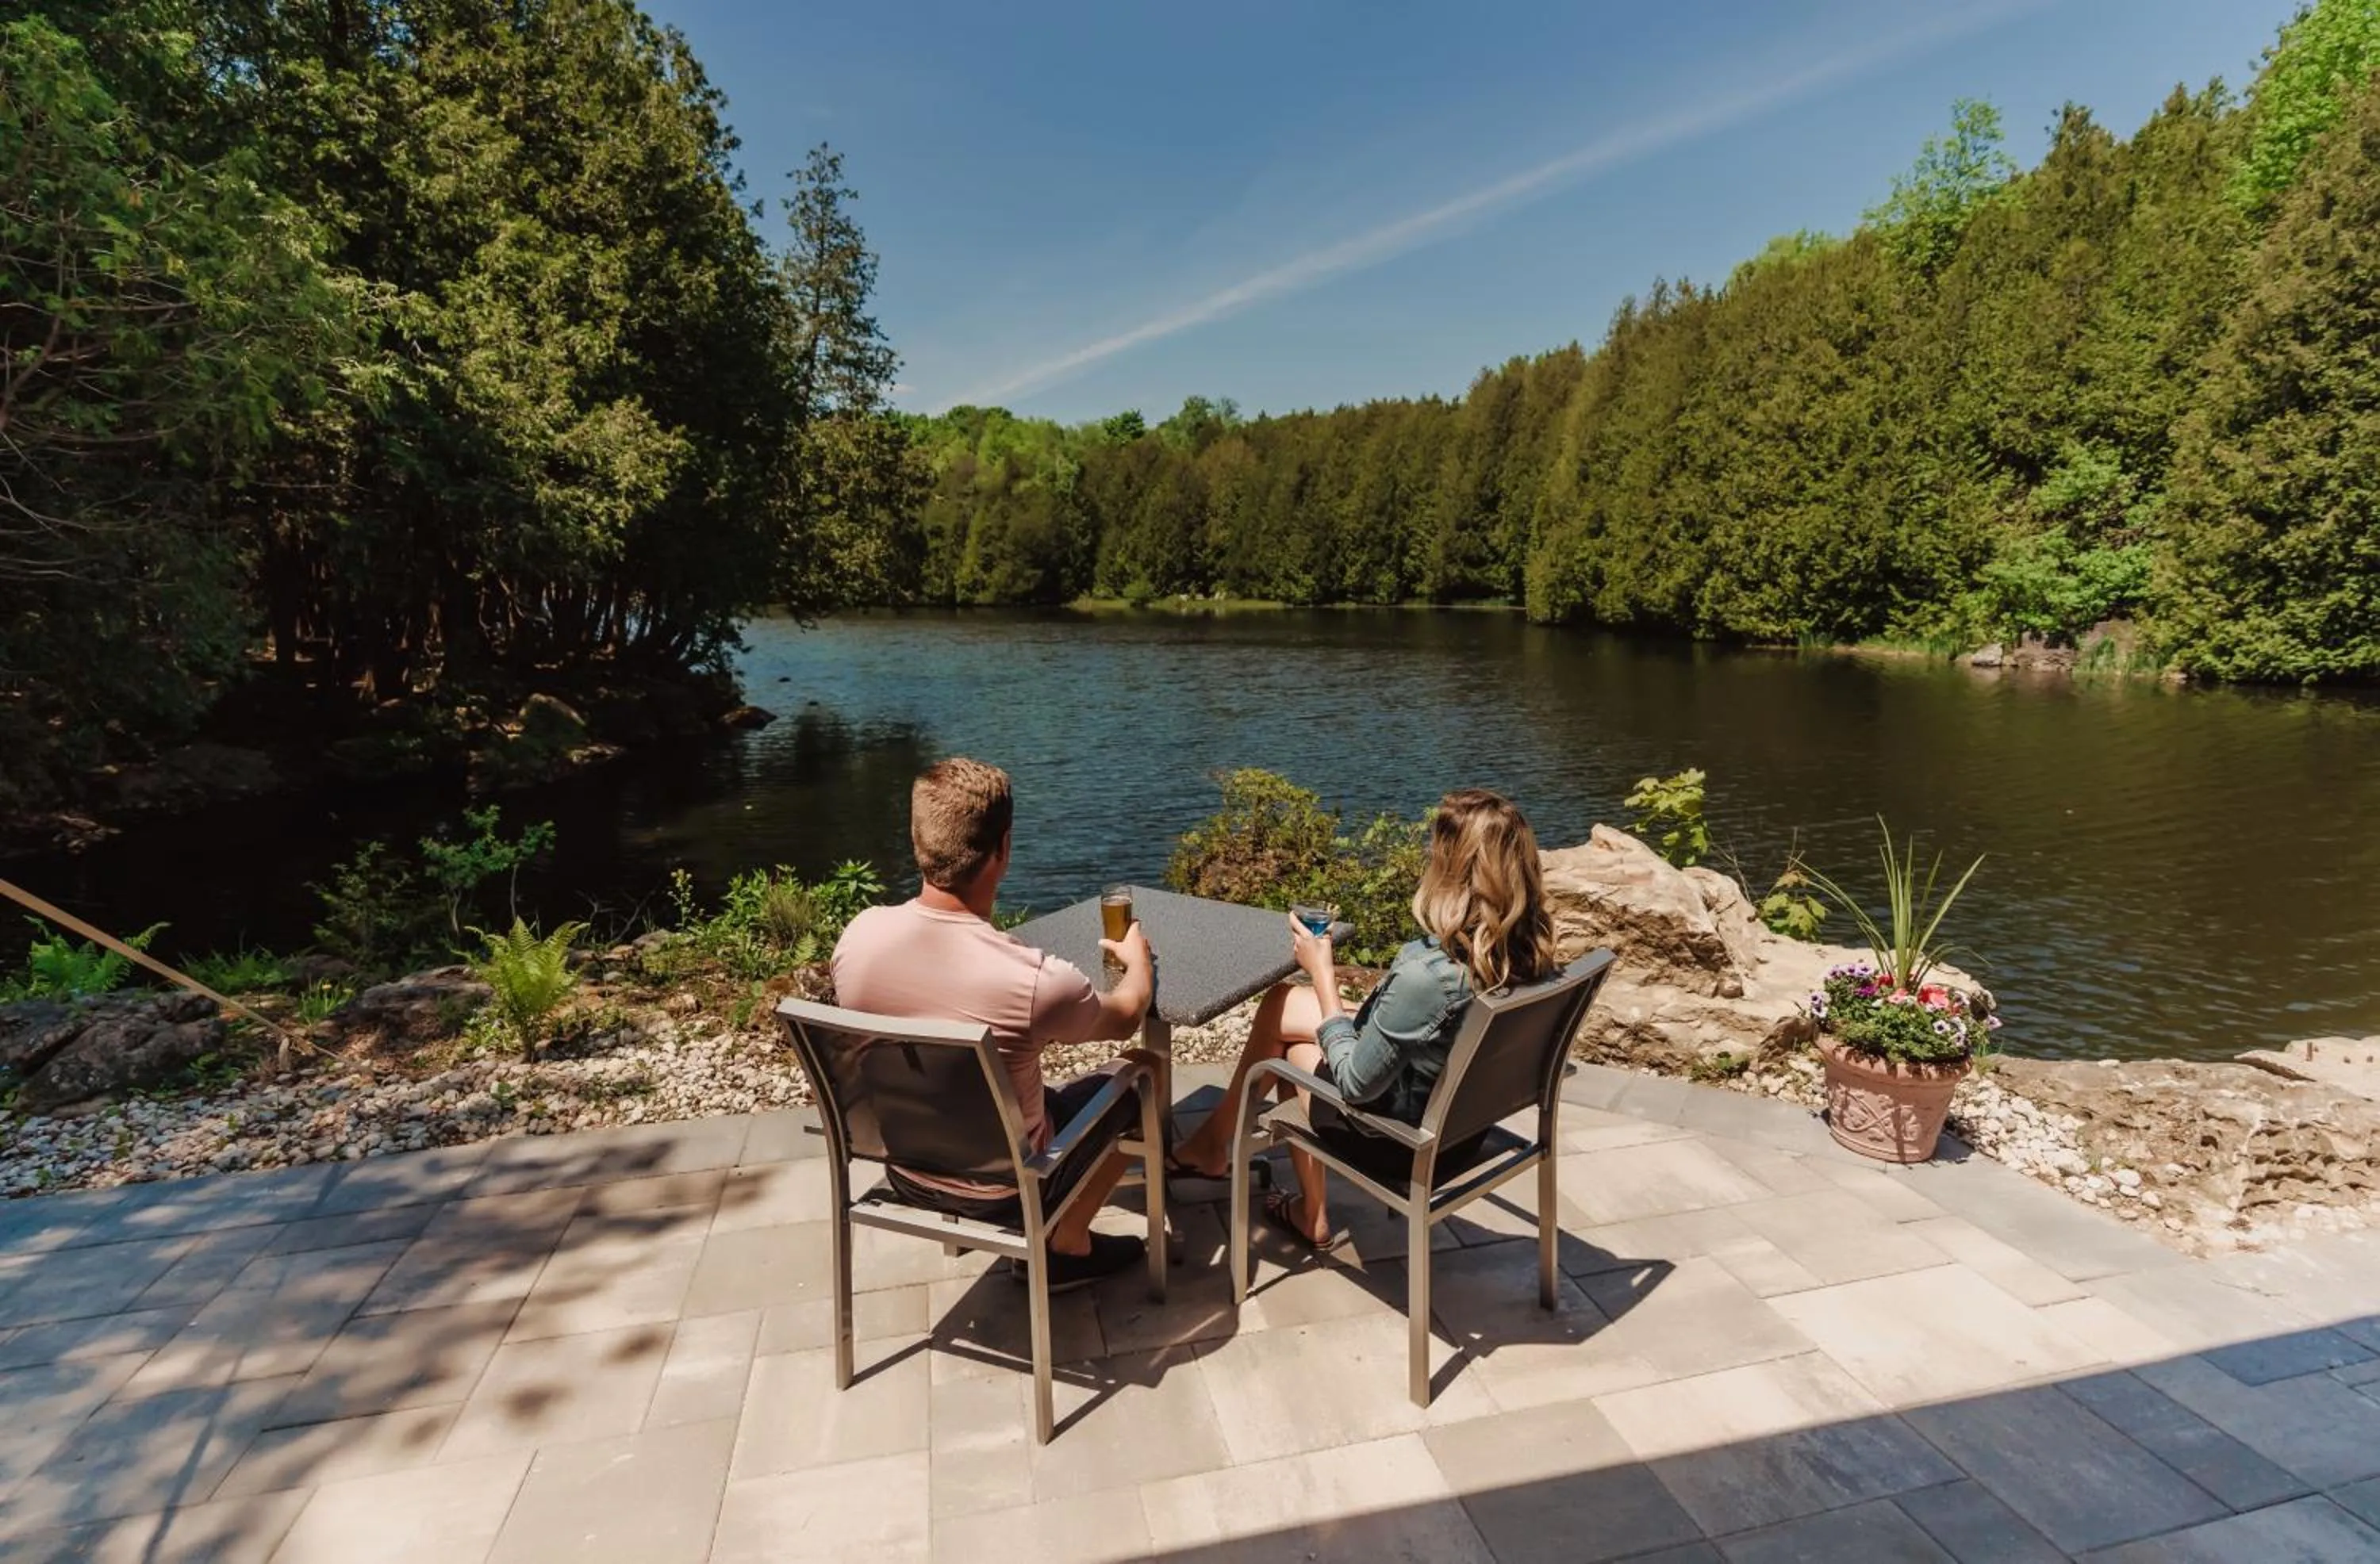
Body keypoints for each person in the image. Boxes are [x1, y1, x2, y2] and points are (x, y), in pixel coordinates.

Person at [1167, 788, 1558, 1250]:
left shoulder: (1428, 975)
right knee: (1281, 1003)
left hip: (1404, 1142)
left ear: (1451, 868)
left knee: (1292, 1052)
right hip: (1465, 1127)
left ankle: (1298, 1205)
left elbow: (1354, 1084)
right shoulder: (1525, 948)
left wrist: (1323, 973)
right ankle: (1216, 1146)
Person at [831, 757, 1157, 1290]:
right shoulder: (1033, 980)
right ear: (1003, 848)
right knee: (1143, 1071)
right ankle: (1067, 1246)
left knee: (1028, 1087)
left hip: (905, 1169)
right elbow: (1125, 1017)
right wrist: (1138, 963)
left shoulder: (859, 937)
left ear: (917, 840)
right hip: (1007, 1191)